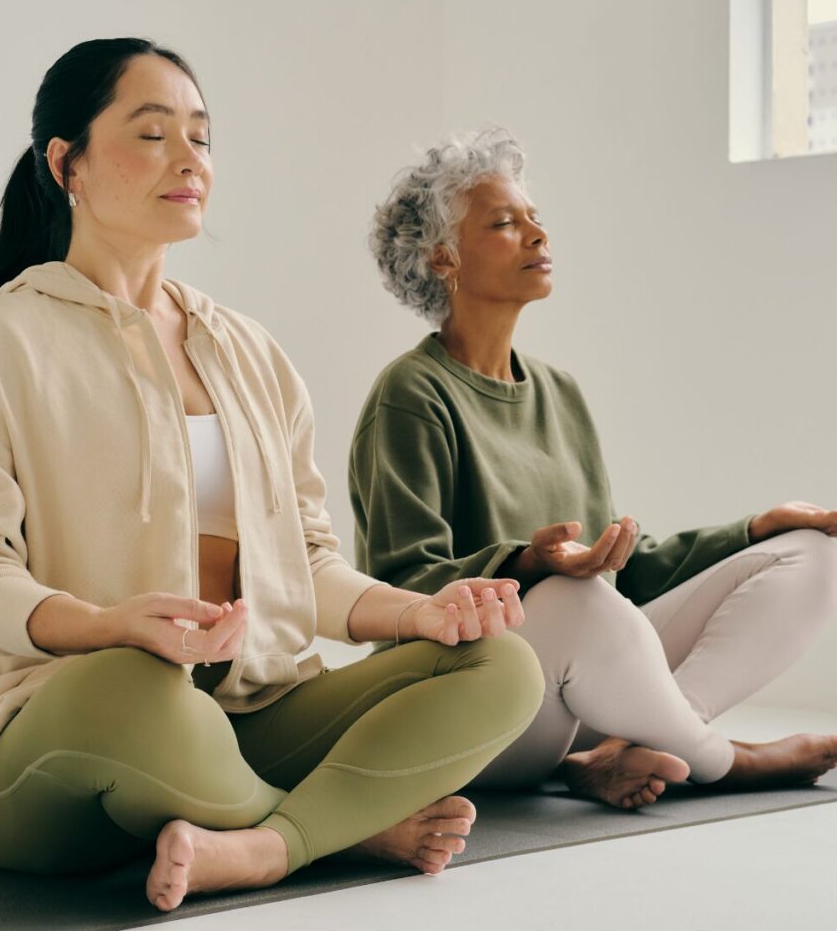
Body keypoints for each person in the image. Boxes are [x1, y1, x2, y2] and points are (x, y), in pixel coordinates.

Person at [0, 41, 547, 913]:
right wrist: (102, 626)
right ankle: (335, 830)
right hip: (57, 742)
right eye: (152, 132)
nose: (188, 160)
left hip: (248, 719)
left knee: (498, 663)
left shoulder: (249, 352)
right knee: (141, 687)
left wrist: (421, 614)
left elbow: (309, 564)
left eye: (201, 138)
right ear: (67, 164)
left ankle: (258, 845)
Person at [349, 127, 837, 810]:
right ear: (442, 260)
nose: (537, 237)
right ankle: (725, 762)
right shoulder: (410, 395)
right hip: (475, 700)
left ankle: (634, 749)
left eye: (535, 220)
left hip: (588, 681)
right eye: (504, 223)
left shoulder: (561, 392)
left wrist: (756, 527)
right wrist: (528, 565)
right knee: (576, 600)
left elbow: (622, 569)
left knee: (809, 554)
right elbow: (400, 586)